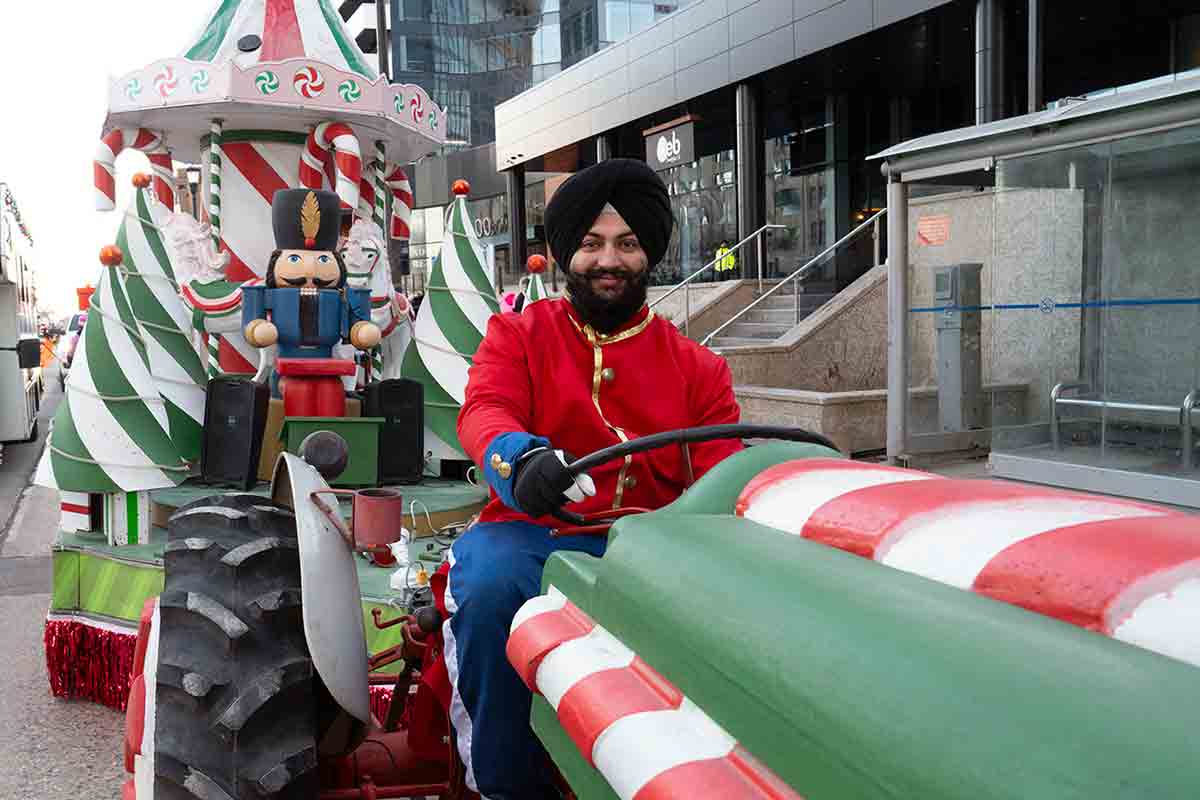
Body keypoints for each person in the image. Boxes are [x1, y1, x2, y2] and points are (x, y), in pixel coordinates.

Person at [446, 158, 743, 799]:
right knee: (492, 587)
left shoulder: (700, 370)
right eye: (591, 244)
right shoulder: (518, 336)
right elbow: (485, 410)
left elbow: (725, 479)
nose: (608, 260)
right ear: (565, 254)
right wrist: (519, 459)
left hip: (657, 552)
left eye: (628, 244)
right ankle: (505, 785)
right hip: (530, 535)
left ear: (649, 255)